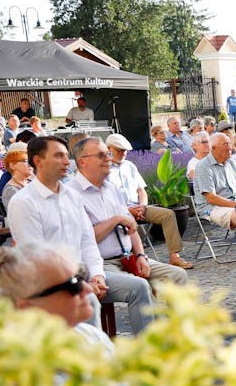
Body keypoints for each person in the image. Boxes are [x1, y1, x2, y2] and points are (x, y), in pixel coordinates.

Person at [9, 136, 153, 335]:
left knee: (139, 287)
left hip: (84, 274)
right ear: (38, 161)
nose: (67, 162)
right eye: (58, 156)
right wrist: (81, 283)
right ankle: (92, 353)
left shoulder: (71, 196)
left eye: (66, 156)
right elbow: (37, 260)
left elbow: (88, 242)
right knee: (88, 299)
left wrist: (97, 275)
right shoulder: (24, 202)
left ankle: (149, 349)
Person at [72, 137, 189, 297]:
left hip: (130, 252)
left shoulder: (112, 187)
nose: (108, 158)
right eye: (101, 155)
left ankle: (174, 255)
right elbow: (85, 240)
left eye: (108, 154)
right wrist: (118, 219)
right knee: (140, 286)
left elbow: (138, 203)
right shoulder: (72, 194)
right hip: (102, 263)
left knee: (178, 275)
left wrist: (140, 255)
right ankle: (151, 312)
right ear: (82, 161)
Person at [0, 243, 112, 352]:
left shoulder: (92, 336)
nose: (88, 289)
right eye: (73, 284)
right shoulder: (16, 365)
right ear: (27, 307)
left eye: (80, 277)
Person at [104, 133, 194, 270]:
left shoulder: (130, 166)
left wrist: (143, 206)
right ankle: (138, 260)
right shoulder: (104, 170)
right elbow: (107, 201)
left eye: (125, 150)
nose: (123, 153)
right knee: (129, 220)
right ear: (109, 149)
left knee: (168, 214)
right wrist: (128, 210)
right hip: (119, 211)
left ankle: (174, 256)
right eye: (119, 150)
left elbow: (141, 190)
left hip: (138, 207)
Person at [193, 132, 236, 229]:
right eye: (225, 144)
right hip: (212, 208)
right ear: (214, 148)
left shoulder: (231, 162)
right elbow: (211, 198)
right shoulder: (203, 166)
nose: (230, 147)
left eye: (230, 143)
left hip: (235, 203)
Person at [0, 143, 33, 216]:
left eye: (31, 160)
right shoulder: (11, 190)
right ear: (12, 165)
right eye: (25, 161)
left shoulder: (31, 183)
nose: (30, 164)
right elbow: (21, 216)